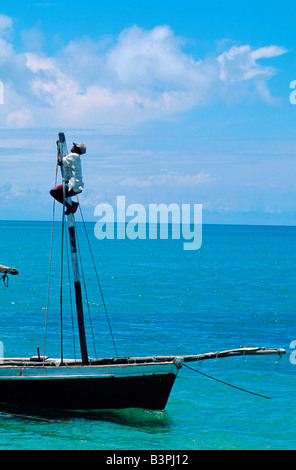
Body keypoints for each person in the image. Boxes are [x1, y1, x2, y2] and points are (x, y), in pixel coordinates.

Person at [50, 141, 86, 215]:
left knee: (53, 192)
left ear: (77, 149)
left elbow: (60, 162)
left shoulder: (73, 156)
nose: (72, 147)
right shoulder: (77, 158)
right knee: (60, 195)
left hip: (72, 185)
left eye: (75, 147)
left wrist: (59, 149)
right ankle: (73, 204)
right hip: (77, 186)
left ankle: (69, 206)